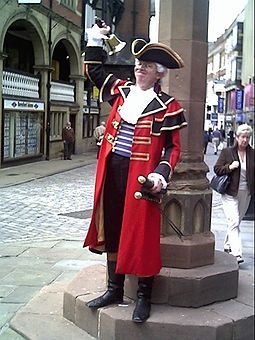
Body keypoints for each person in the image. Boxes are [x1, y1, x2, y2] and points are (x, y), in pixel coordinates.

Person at [83, 21, 187, 323]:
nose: (140, 68)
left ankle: (144, 296)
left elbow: (173, 148)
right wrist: (95, 39)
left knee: (142, 235)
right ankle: (114, 289)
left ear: (159, 73)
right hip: (113, 170)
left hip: (143, 178)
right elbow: (94, 70)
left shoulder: (169, 106)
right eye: (139, 63)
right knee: (113, 228)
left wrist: (161, 174)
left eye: (147, 65)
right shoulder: (120, 91)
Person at [214, 124, 254, 264]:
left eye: (247, 137)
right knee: (234, 221)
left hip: (246, 192)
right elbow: (217, 169)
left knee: (236, 222)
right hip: (230, 192)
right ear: (236, 137)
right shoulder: (227, 152)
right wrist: (229, 167)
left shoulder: (252, 153)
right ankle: (236, 253)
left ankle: (227, 244)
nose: (245, 140)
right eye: (242, 137)